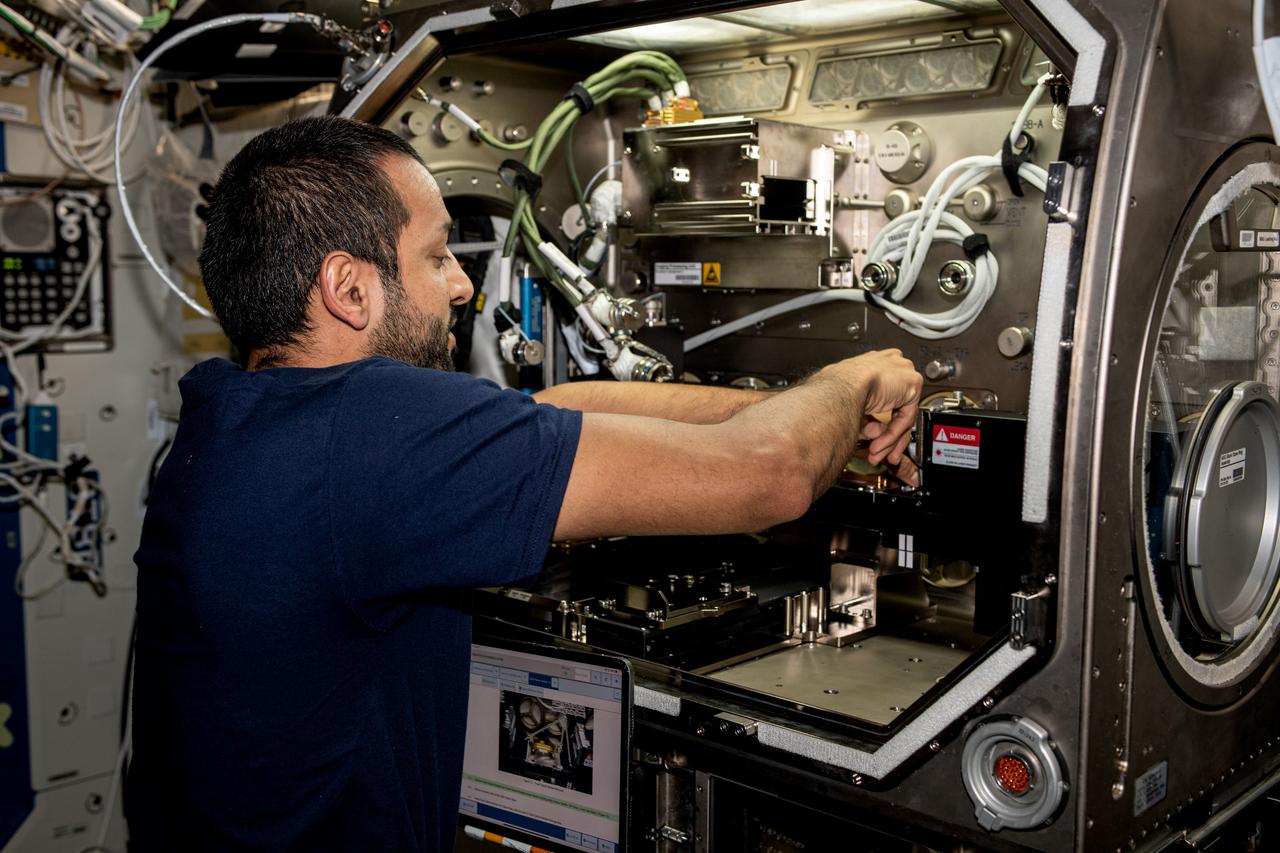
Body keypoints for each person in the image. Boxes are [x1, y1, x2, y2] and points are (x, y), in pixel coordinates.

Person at [126, 115, 922, 853]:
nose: (463, 287)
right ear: (350, 287)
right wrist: (857, 377)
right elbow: (771, 475)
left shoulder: (233, 414)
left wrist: (823, 424)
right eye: (437, 257)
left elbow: (551, 410)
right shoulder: (372, 432)